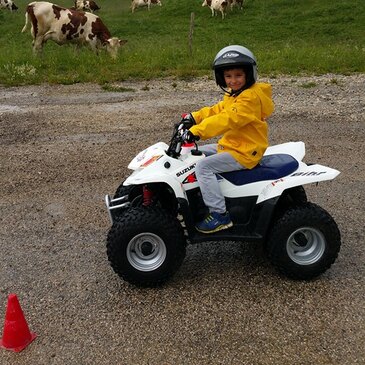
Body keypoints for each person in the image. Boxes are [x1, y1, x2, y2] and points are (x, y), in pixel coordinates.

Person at [180, 44, 275, 234]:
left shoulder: (250, 98)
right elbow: (218, 110)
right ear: (221, 77)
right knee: (196, 153)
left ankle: (219, 215)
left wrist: (197, 131)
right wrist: (194, 117)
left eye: (238, 75)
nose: (233, 81)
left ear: (249, 74)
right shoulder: (234, 94)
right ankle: (200, 194)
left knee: (203, 166)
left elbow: (227, 119)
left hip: (245, 152)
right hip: (233, 145)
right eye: (228, 76)